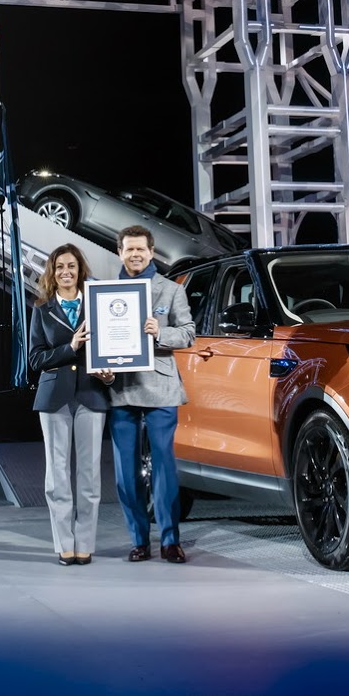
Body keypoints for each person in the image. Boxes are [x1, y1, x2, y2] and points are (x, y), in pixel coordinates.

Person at [106, 224, 196, 563]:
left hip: (161, 387)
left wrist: (161, 332)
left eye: (140, 249)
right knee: (126, 473)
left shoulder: (171, 290)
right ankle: (139, 540)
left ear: (151, 251)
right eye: (129, 249)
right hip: (121, 387)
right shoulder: (105, 293)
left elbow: (188, 334)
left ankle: (171, 539)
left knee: (164, 467)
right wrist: (102, 366)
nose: (135, 254)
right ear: (120, 252)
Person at [27, 244, 115, 565]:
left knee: (90, 476)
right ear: (52, 272)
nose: (66, 272)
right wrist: (71, 347)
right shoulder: (42, 309)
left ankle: (85, 543)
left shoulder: (99, 304)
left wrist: (110, 377)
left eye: (72, 266)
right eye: (60, 267)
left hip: (91, 394)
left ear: (80, 271)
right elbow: (35, 359)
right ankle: (64, 543)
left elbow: (112, 349)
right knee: (57, 475)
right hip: (54, 399)